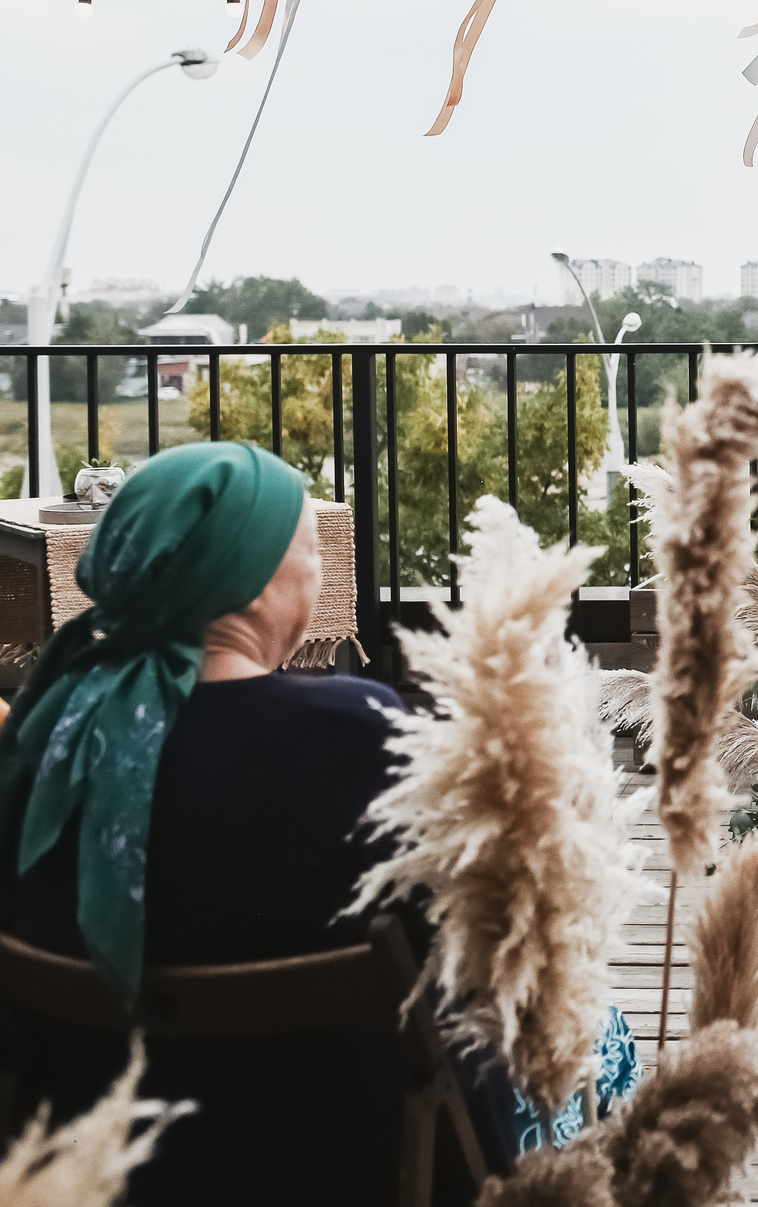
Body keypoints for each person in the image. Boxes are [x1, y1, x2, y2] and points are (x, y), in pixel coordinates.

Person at [0, 442, 632, 1204]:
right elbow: (476, 952)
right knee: (602, 1031)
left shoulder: (46, 733)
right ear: (257, 577)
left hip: (96, 1158)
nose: (319, 569)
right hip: (344, 1159)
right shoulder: (355, 732)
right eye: (310, 549)